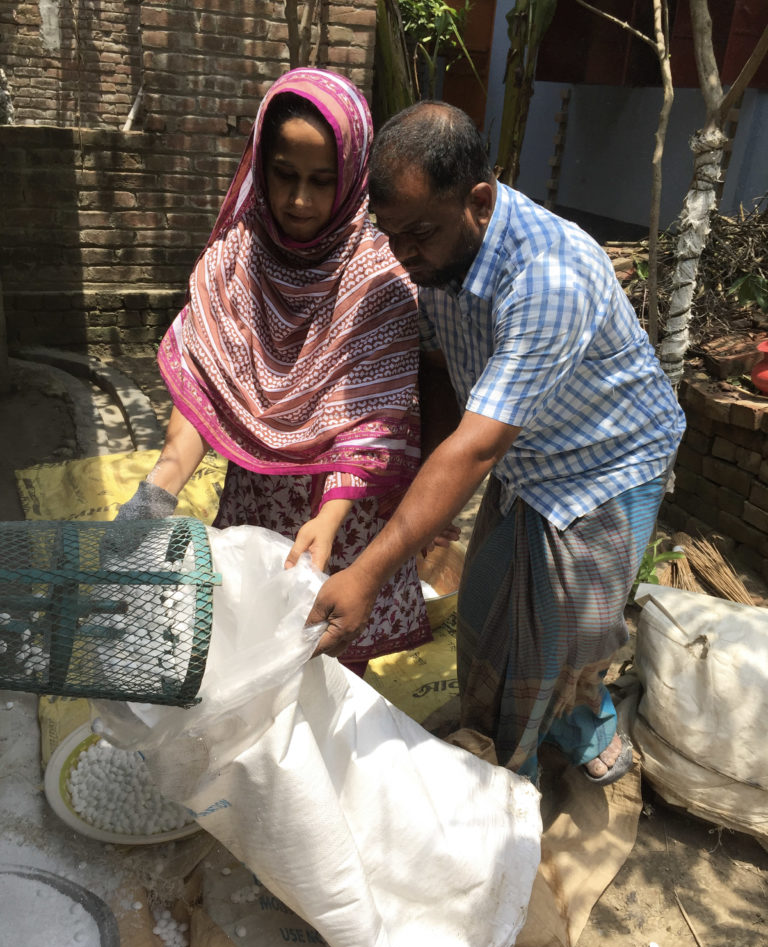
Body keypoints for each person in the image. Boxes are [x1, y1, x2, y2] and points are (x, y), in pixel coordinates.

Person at [308, 100, 686, 783]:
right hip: (526, 451)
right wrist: (428, 510)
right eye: (390, 236)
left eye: (417, 234)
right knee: (487, 612)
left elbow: (477, 448)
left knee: (562, 642)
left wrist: (368, 572)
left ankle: (525, 772)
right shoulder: (438, 255)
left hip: (603, 465)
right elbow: (441, 376)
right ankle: (521, 728)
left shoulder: (549, 277)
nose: (403, 256)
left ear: (478, 199)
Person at [115, 69, 433, 674]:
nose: (299, 202)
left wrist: (330, 518)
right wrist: (161, 484)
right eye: (284, 175)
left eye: (322, 181)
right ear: (260, 164)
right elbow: (207, 382)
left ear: (354, 178)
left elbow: (375, 421)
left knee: (325, 671)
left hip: (339, 512)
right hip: (257, 500)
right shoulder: (236, 256)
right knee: (242, 659)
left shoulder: (379, 278)